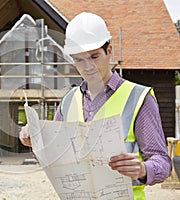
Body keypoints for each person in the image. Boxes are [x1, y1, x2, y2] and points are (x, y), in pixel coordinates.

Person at [19, 12, 172, 199]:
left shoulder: (138, 98)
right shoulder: (68, 102)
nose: (88, 66)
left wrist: (143, 169)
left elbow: (163, 163)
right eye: (79, 59)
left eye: (94, 56)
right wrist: (35, 140)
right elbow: (55, 157)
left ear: (109, 51)